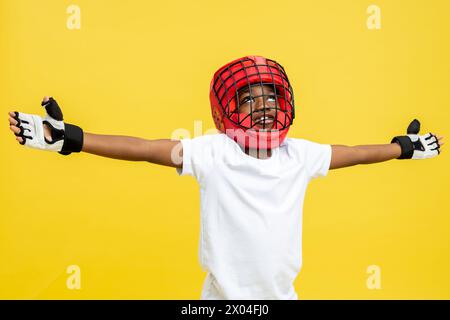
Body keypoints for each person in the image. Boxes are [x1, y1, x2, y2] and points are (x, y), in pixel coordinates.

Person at [7, 55, 444, 300]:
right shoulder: (213, 152)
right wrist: (72, 138)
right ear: (227, 111)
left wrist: (403, 148)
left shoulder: (299, 155)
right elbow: (145, 148)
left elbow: (353, 154)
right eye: (249, 99)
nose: (263, 106)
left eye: (270, 97)